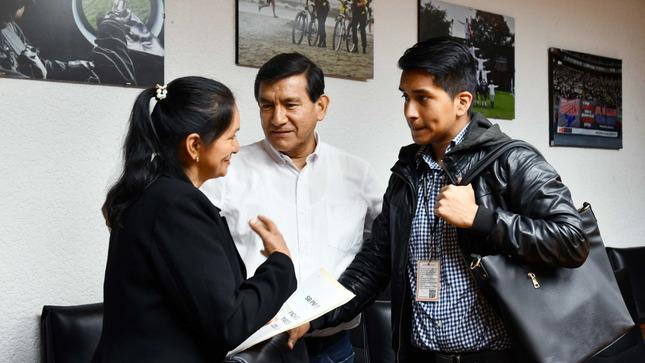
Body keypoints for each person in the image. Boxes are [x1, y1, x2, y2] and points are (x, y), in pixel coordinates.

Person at [291, 37, 588, 363]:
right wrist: (313, 317)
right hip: (420, 356)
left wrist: (481, 219)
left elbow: (572, 240)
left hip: (494, 355)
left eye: (423, 98)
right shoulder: (407, 173)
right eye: (405, 97)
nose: (409, 112)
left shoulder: (511, 161)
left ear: (462, 101)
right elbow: (373, 265)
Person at [93, 76, 297, 362]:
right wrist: (281, 263)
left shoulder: (155, 191)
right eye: (230, 136)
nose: (237, 147)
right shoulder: (177, 204)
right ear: (194, 146)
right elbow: (228, 323)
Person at [201, 53, 382, 363]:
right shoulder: (227, 171)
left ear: (321, 106)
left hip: (335, 347)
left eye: (291, 105)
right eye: (267, 106)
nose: (277, 118)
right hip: (259, 349)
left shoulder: (358, 174)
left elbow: (384, 250)